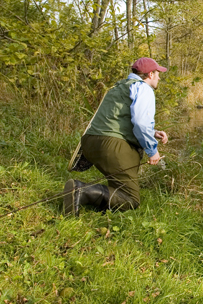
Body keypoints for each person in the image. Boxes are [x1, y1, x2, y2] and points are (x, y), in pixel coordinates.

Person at [63, 57, 169, 216]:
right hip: (112, 146)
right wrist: (152, 150)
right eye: (157, 73)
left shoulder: (117, 87)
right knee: (130, 199)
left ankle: (98, 205)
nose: (159, 77)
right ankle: (80, 191)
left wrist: (152, 132)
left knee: (120, 188)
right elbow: (140, 123)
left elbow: (118, 118)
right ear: (150, 74)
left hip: (89, 143)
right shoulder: (144, 88)